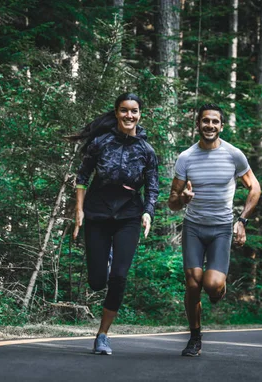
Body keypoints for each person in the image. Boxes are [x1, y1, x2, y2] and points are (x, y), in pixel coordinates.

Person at [168, 103, 261, 357]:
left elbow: (254, 187)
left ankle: (219, 288)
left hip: (221, 228)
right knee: (192, 283)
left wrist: (241, 220)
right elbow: (173, 201)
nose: (209, 126)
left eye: (214, 122)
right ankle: (194, 338)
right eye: (205, 121)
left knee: (211, 285)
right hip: (194, 228)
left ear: (221, 125)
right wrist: (184, 200)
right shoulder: (186, 157)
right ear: (198, 124)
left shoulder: (234, 155)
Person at [70, 93, 159, 355]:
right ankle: (104, 261)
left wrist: (148, 213)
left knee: (119, 277)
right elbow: (82, 176)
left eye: (134, 111)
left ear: (140, 114)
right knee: (97, 282)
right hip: (97, 212)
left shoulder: (146, 150)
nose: (129, 116)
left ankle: (103, 335)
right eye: (124, 111)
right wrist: (79, 210)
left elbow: (153, 186)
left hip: (129, 215)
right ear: (116, 112)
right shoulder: (100, 143)